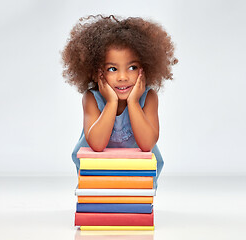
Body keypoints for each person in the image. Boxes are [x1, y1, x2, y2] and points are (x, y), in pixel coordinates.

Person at [61, 14, 178, 188]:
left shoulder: (148, 98)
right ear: (97, 72)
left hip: (139, 174)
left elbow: (147, 145)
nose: (123, 77)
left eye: (132, 67)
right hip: (97, 173)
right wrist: (111, 103)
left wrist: (133, 102)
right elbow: (97, 145)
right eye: (112, 69)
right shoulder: (92, 98)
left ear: (145, 69)